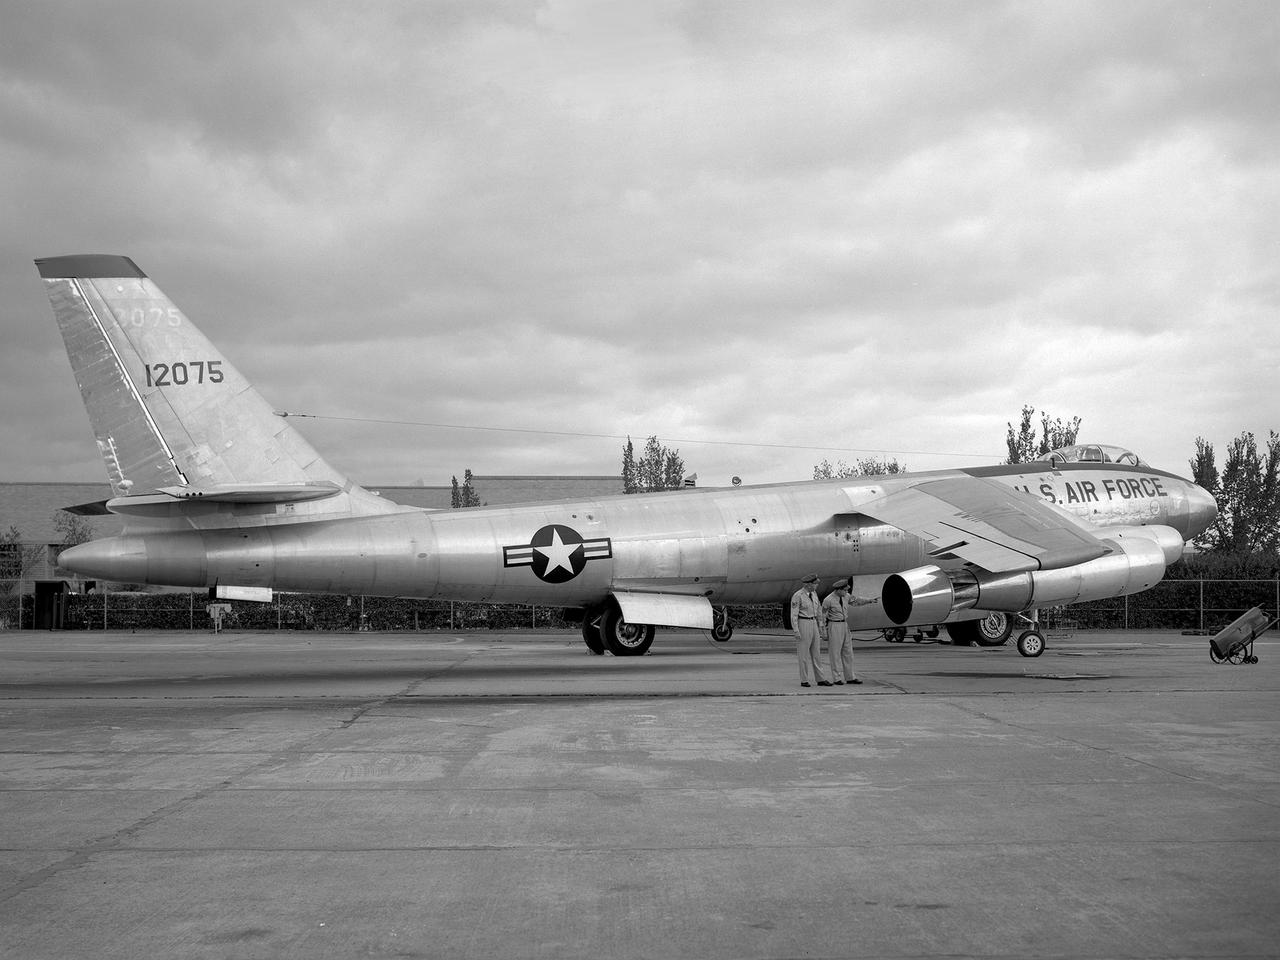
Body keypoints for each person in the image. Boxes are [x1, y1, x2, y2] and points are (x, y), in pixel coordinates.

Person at [822, 578, 867, 686]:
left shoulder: (846, 596)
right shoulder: (828, 600)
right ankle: (837, 678)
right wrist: (823, 631)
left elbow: (856, 601)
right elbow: (822, 616)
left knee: (848, 653)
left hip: (844, 625)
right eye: (845, 590)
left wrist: (869, 600)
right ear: (838, 590)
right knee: (835, 653)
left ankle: (850, 677)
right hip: (834, 625)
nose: (846, 592)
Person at [790, 574, 831, 688]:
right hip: (803, 622)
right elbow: (794, 614)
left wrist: (821, 626)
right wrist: (796, 630)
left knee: (816, 653)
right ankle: (804, 680)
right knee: (803, 654)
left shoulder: (814, 594)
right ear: (808, 584)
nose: (816, 585)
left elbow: (818, 610)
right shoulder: (798, 596)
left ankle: (820, 678)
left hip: (813, 623)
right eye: (815, 584)